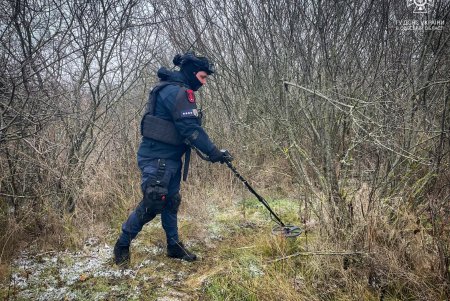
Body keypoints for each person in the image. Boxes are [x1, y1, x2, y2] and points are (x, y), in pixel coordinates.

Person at [114, 52, 232, 266]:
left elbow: (185, 127)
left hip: (169, 158)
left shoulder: (170, 88)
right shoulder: (178, 93)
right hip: (157, 158)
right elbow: (190, 129)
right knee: (153, 202)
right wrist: (214, 152)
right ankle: (122, 244)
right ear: (192, 72)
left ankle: (173, 246)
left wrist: (212, 151)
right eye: (203, 77)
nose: (204, 83)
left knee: (171, 201)